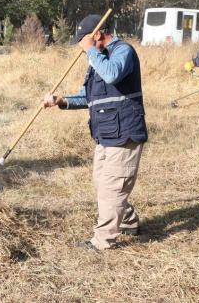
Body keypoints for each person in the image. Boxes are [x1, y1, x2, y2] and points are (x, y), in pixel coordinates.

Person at [43, 14, 148, 251]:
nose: (81, 46)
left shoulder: (123, 51)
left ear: (97, 34)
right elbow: (88, 96)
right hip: (106, 133)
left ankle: (102, 242)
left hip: (125, 132)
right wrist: (61, 101)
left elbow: (112, 74)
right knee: (103, 184)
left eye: (83, 40)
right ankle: (129, 222)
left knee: (112, 188)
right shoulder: (96, 59)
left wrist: (91, 51)